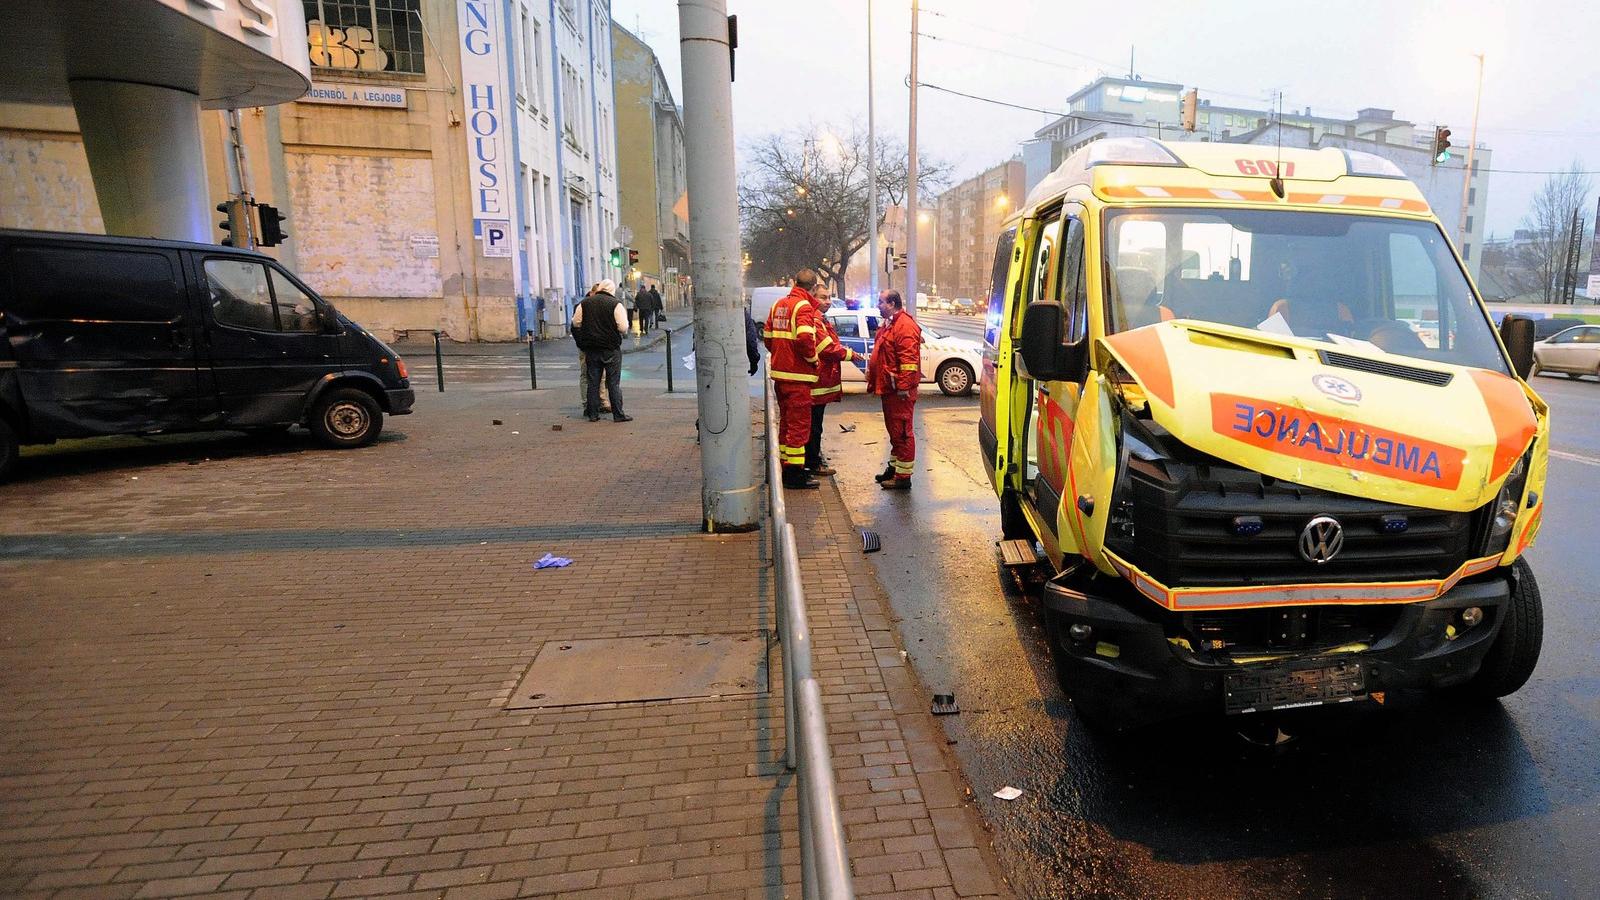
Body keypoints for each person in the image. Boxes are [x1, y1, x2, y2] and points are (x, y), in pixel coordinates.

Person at [764, 268, 824, 489]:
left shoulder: (778, 305)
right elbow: (805, 339)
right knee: (799, 427)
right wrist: (813, 360)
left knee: (787, 424)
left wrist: (781, 355)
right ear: (814, 287)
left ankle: (784, 464)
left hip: (781, 375)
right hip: (798, 376)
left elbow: (768, 337)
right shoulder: (803, 307)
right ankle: (795, 475)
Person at [866, 289, 921, 490]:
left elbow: (908, 360)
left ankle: (903, 478)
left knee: (903, 432)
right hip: (890, 388)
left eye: (880, 302)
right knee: (895, 432)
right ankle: (894, 468)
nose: (878, 306)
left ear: (891, 304)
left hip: (899, 391)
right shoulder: (890, 324)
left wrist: (904, 386)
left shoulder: (904, 326)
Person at [807, 286, 857, 477]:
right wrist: (851, 354)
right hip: (818, 382)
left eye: (829, 297)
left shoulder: (820, 319)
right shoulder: (815, 320)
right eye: (823, 297)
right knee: (814, 426)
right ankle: (813, 462)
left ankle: (811, 460)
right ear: (813, 297)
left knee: (814, 424)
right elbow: (827, 349)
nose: (828, 301)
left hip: (820, 381)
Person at [572, 278, 633, 422]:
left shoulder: (585, 303)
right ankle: (618, 414)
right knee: (613, 383)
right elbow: (623, 327)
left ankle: (593, 414)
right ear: (611, 290)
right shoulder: (615, 304)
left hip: (592, 348)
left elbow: (575, 322)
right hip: (610, 348)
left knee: (593, 382)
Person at [574, 285, 610, 414]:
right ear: (591, 293)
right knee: (586, 375)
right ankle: (587, 405)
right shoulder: (582, 306)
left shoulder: (599, 306)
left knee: (601, 376)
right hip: (586, 347)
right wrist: (582, 344)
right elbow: (575, 327)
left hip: (596, 346)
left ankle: (601, 402)